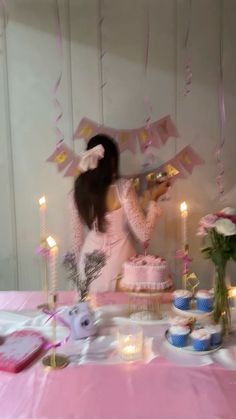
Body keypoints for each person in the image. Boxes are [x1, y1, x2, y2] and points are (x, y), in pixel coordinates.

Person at [69, 134, 169, 293]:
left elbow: (76, 240)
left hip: (88, 265)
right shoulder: (122, 188)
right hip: (119, 264)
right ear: (111, 161)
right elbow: (144, 234)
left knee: (89, 315)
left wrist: (79, 273)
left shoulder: (78, 191)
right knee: (121, 314)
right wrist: (154, 199)